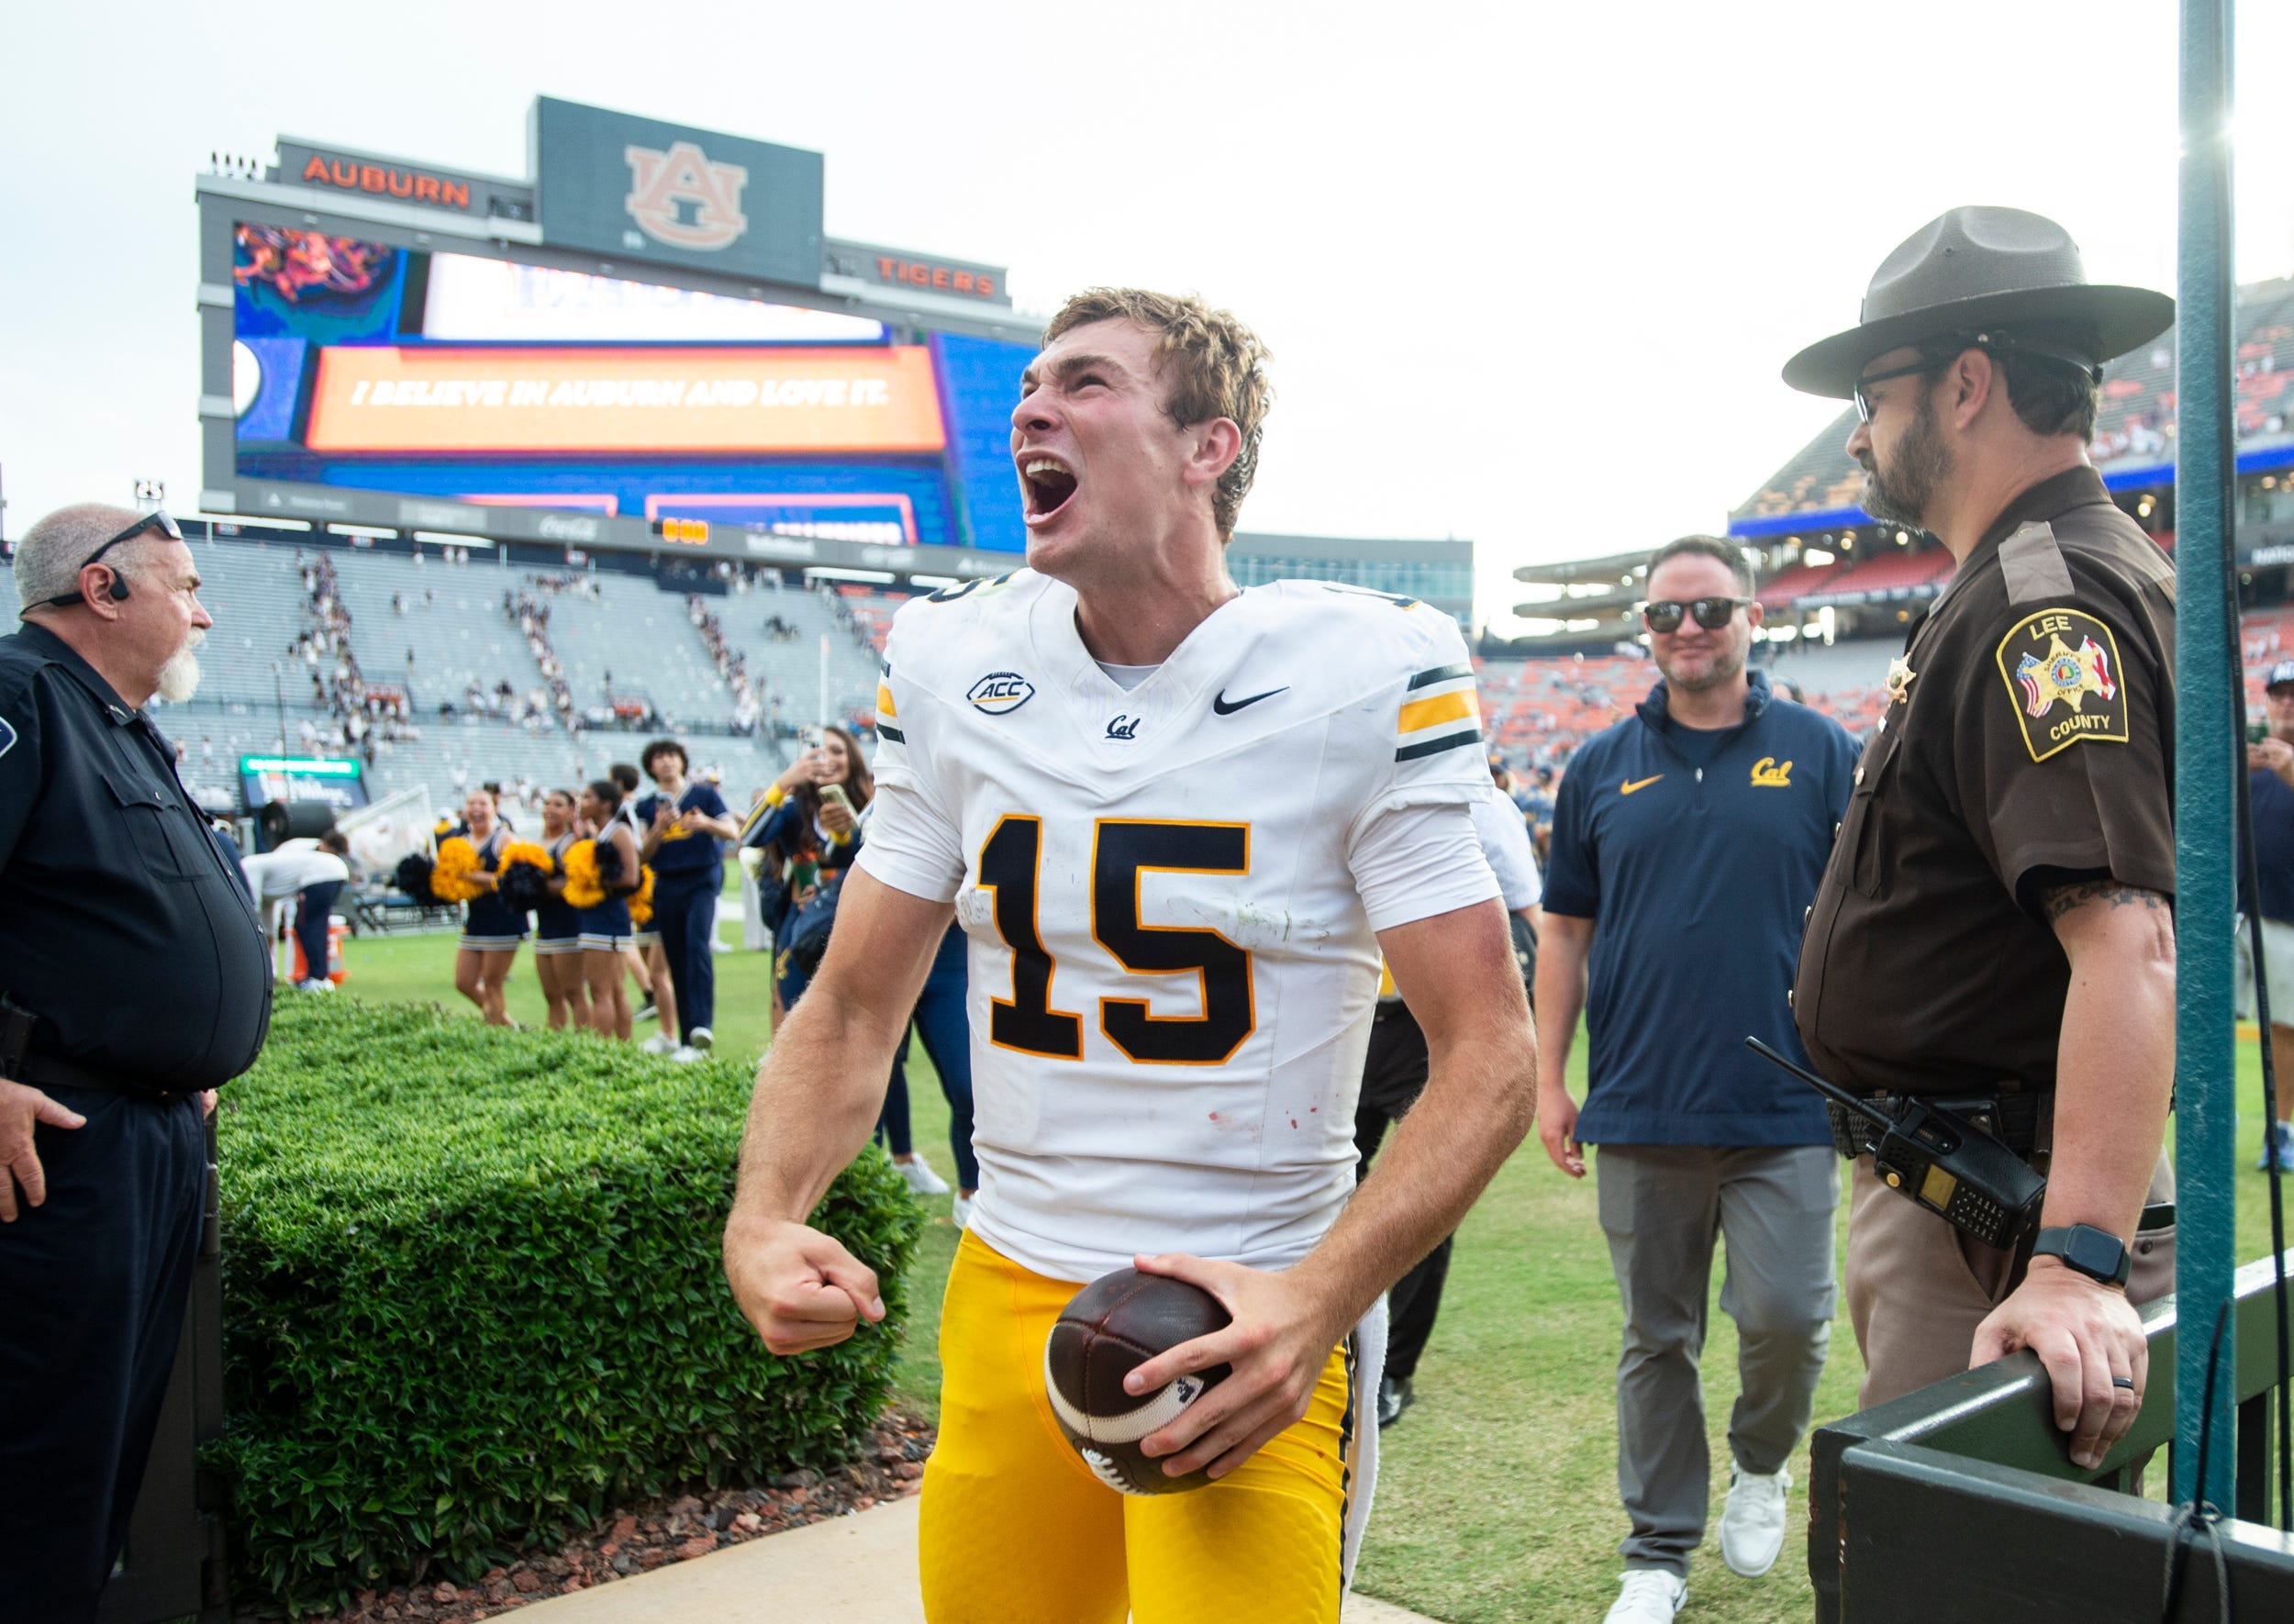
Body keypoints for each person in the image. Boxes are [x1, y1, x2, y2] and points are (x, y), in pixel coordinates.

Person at [721, 288, 1535, 1624]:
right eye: (1030, 386)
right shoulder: (952, 662)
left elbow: (1489, 1055)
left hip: (1248, 1297)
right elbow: (854, 1000)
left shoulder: (1361, 670)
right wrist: (764, 1211)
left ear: (1207, 446)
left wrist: (1317, 1299)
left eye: (1086, 383)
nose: (1031, 407)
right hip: (1006, 1277)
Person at [1783, 206, 2180, 1468]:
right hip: (1982, 1182)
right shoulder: (2041, 573)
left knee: (1951, 1571)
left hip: (2003, 1205)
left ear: (1965, 384)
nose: (1858, 429)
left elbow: (2130, 942)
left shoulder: (2042, 602)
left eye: (1874, 390)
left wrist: (2072, 1261)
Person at [1532, 537, 1859, 1623]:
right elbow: (1565, 931)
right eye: (1666, 616)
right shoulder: (1594, 767)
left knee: (1784, 1318)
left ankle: (1760, 1463)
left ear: (1750, 617)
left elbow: (1869, 918)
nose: (1687, 631)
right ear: (1645, 631)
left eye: (1709, 610)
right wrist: (1549, 1079)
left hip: (1786, 1101)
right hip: (1639, 1099)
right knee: (1654, 1337)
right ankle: (1657, 1551)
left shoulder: (1820, 752)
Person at [0, 504, 270, 1621]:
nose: (203, 612)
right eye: (185, 585)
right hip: (60, 1144)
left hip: (140, 1135)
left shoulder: (111, 718)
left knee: (96, 1470)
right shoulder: (17, 695)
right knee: (39, 1471)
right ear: (103, 590)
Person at [1355, 766, 1543, 1429]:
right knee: (1309, 1193)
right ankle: (1329, 1348)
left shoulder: (1479, 803)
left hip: (1421, 1021)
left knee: (1421, 1198)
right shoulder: (1327, 772)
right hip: (1338, 1020)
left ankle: (1392, 1369)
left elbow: (1525, 912)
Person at [745, 730, 961, 1196]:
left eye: (837, 750)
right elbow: (749, 835)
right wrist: (786, 781)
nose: (826, 760)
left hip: (869, 931)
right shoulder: (793, 807)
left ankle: (900, 1158)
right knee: (807, 1038)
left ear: (856, 757)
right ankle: (827, 1167)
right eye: (816, 753)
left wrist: (846, 831)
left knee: (881, 1050)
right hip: (803, 936)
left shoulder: (876, 799)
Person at [635, 739, 739, 1063]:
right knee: (676, 958)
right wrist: (658, 828)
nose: (666, 762)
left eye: (671, 756)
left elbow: (732, 830)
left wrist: (704, 823)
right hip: (667, 882)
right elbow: (642, 853)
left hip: (701, 880)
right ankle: (685, 1038)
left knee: (697, 945)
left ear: (682, 761)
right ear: (651, 767)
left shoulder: (704, 794)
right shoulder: (646, 806)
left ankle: (701, 1027)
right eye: (658, 758)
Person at [2242, 661, 2294, 1173]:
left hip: (2283, 916)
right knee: (2194, 1018)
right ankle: (2209, 1116)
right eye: (2279, 694)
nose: (2287, 703)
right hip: (2232, 913)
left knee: (2282, 1029)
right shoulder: (2251, 762)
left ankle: (2279, 1130)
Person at [240, 829, 352, 991]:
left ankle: (318, 979)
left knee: (308, 926)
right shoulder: (283, 858)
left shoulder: (249, 866)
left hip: (322, 876)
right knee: (307, 927)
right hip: (328, 875)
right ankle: (313, 977)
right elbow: (265, 919)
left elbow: (251, 908)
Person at [449, 788, 524, 1027]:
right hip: (475, 919)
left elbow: (515, 882)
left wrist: (473, 877)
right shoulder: (460, 842)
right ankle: (506, 1024)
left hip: (502, 919)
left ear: (494, 809)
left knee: (493, 983)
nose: (476, 808)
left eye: (483, 803)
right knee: (464, 982)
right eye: (471, 803)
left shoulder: (505, 839)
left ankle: (496, 1032)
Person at [576, 779, 641, 1040]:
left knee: (601, 991)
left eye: (588, 797)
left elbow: (630, 877)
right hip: (601, 917)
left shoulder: (619, 832)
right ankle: (620, 1048)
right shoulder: (601, 832)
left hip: (607, 917)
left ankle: (602, 1050)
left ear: (605, 804)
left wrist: (590, 882)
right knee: (613, 990)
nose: (582, 802)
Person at [610, 762, 669, 1040]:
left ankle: (669, 1031)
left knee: (657, 972)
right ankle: (665, 1029)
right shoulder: (635, 809)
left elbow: (639, 853)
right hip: (644, 895)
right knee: (646, 962)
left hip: (651, 892)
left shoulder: (628, 812)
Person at [530, 789, 593, 1032]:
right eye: (547, 803)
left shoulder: (571, 842)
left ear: (570, 811)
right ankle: (555, 1045)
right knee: (551, 995)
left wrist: (541, 887)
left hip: (568, 925)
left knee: (574, 993)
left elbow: (578, 882)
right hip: (545, 926)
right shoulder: (538, 842)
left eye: (558, 805)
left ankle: (585, 1046)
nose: (550, 809)